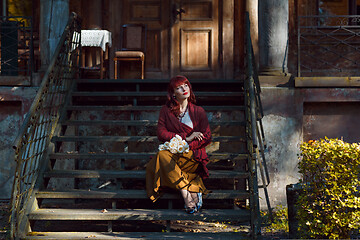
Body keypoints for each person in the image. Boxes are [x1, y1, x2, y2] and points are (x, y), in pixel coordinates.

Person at [146, 75, 212, 214]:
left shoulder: (198, 111)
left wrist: (188, 146)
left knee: (159, 161)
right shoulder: (166, 111)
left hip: (192, 156)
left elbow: (207, 137)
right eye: (179, 87)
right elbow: (161, 133)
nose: (184, 89)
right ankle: (186, 193)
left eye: (186, 85)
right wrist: (186, 138)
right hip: (173, 155)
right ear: (173, 93)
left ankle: (189, 187)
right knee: (162, 155)